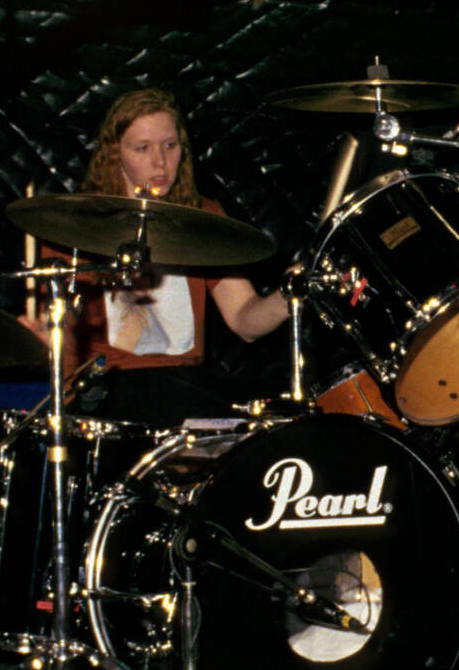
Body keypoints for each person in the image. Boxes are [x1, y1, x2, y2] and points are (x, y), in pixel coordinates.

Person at [45, 87, 290, 424]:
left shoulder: (203, 215)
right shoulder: (77, 225)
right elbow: (62, 349)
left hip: (186, 384)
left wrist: (289, 295)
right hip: (113, 389)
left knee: (279, 414)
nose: (160, 162)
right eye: (143, 149)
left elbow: (244, 320)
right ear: (115, 153)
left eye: (170, 146)